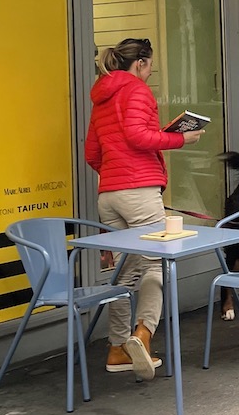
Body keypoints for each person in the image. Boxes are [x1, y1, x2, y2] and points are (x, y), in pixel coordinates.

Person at [84, 37, 205, 379]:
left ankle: (118, 348)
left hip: (108, 194)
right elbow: (139, 137)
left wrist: (116, 175)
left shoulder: (101, 97)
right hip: (139, 190)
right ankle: (143, 335)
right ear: (140, 63)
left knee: (124, 271)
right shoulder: (136, 91)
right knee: (155, 264)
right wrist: (182, 138)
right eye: (150, 65)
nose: (151, 73)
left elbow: (92, 154)